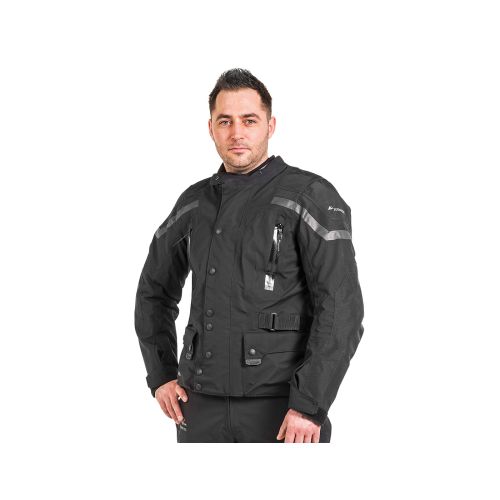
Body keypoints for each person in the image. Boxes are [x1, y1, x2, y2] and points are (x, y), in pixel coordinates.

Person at [134, 68, 365, 443]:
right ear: (211, 128)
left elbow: (342, 309)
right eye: (225, 121)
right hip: (199, 404)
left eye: (249, 120)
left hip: (283, 409)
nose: (236, 133)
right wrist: (161, 374)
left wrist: (310, 405)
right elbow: (153, 291)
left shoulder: (309, 196)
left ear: (270, 126)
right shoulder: (194, 202)